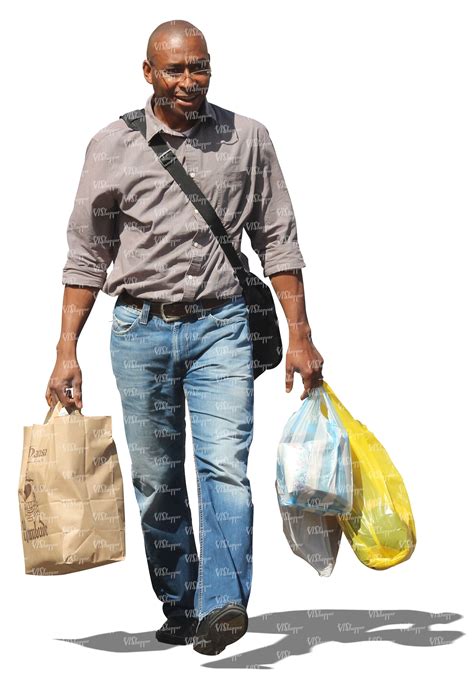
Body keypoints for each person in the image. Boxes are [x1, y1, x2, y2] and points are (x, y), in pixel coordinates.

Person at [46, 19, 324, 656]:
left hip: (223, 325)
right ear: (148, 73)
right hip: (139, 330)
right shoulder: (111, 145)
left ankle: (224, 604)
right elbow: (87, 253)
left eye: (199, 67)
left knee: (223, 466)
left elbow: (278, 238)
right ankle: (181, 602)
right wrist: (66, 350)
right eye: (175, 70)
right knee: (156, 478)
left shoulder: (247, 138)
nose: (189, 82)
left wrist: (301, 335)